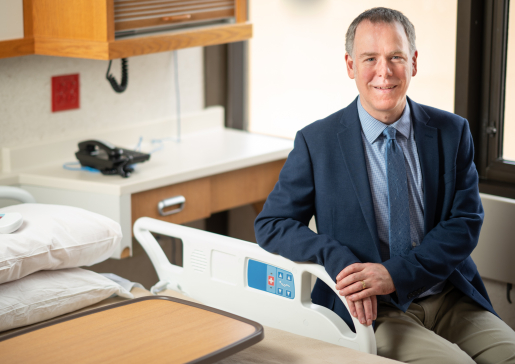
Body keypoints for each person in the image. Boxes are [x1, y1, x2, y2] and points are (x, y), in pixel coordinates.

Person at [254, 7, 515, 364]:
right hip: (373, 312)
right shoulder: (317, 142)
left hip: (450, 295)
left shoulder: (452, 132)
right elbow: (271, 224)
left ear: (414, 62)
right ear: (350, 66)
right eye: (369, 58)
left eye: (396, 57)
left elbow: (465, 223)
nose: (384, 72)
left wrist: (394, 274)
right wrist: (334, 255)